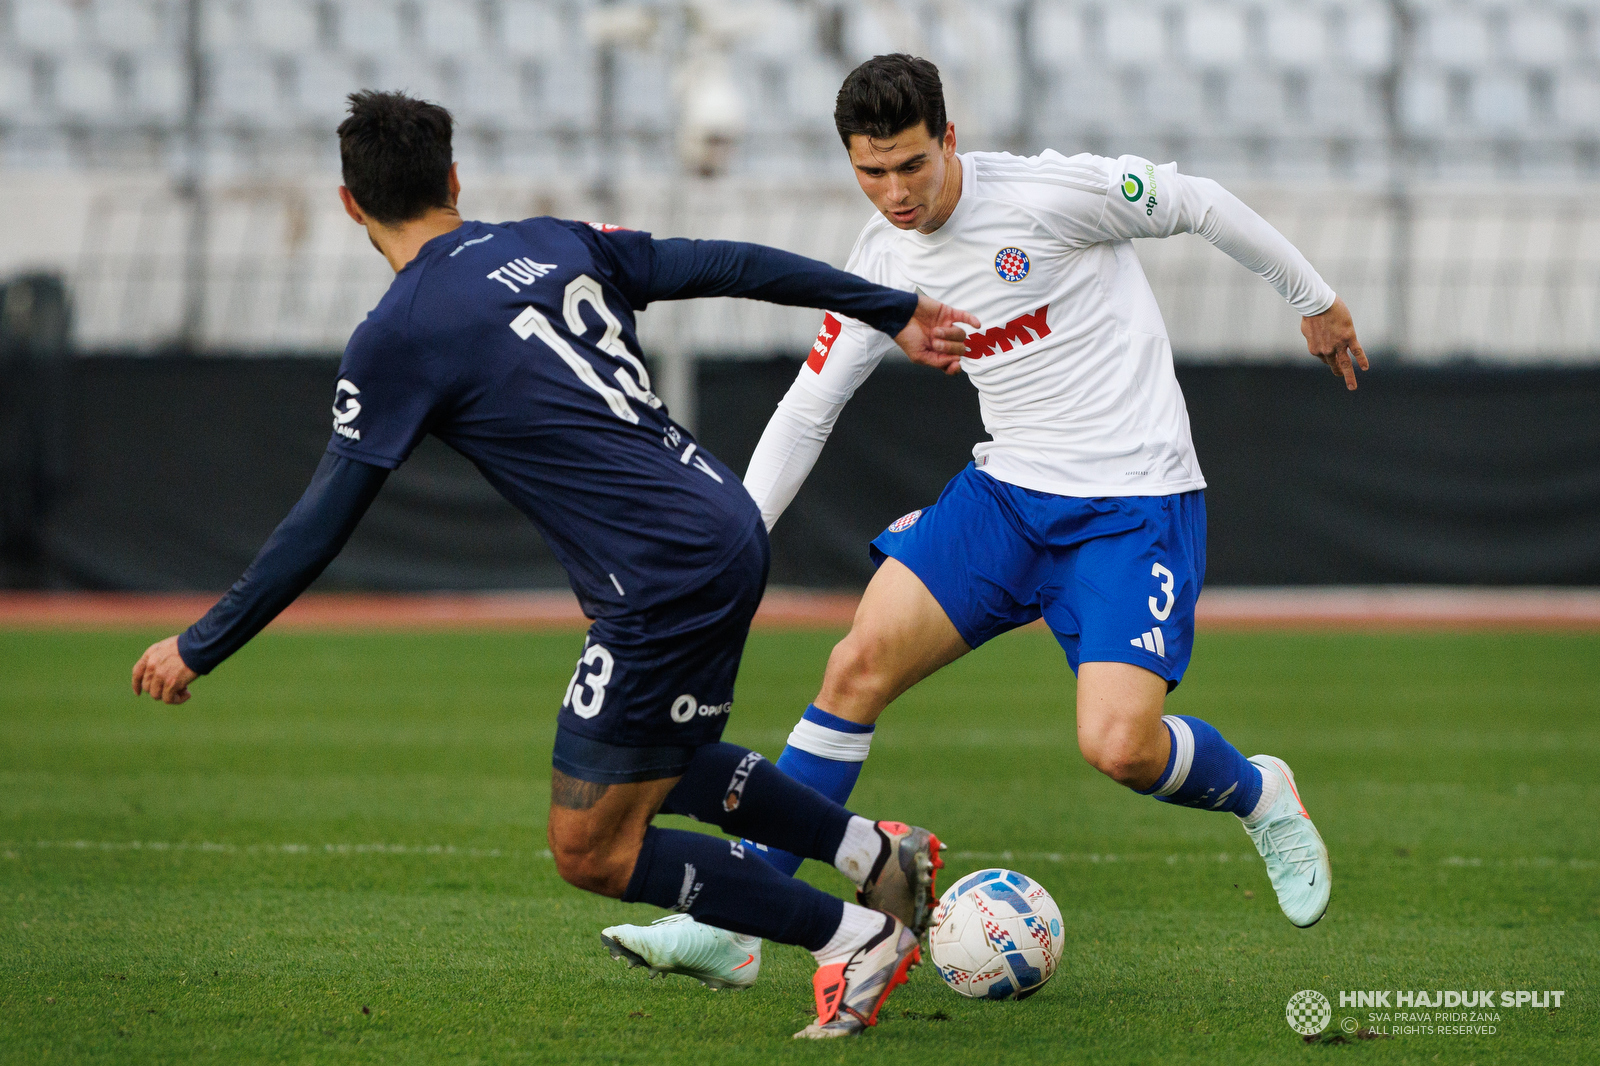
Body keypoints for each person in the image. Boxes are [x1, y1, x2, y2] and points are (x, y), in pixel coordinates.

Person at [128, 90, 982, 1040]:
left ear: (348, 204)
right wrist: (892, 306)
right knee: (665, 758)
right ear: (455, 179)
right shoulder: (562, 239)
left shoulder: (398, 333)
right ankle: (873, 854)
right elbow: (734, 263)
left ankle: (850, 937)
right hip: (724, 520)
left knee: (590, 848)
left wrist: (201, 644)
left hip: (660, 573)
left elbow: (319, 524)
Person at [602, 54, 1364, 985]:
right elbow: (809, 408)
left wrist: (1313, 298)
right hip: (1005, 497)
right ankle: (742, 921)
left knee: (1119, 747)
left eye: (912, 165)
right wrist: (738, 539)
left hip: (1133, 502)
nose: (894, 192)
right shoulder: (879, 261)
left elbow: (1196, 199)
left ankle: (1261, 793)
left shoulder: (1049, 195)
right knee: (853, 666)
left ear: (950, 139)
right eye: (870, 171)